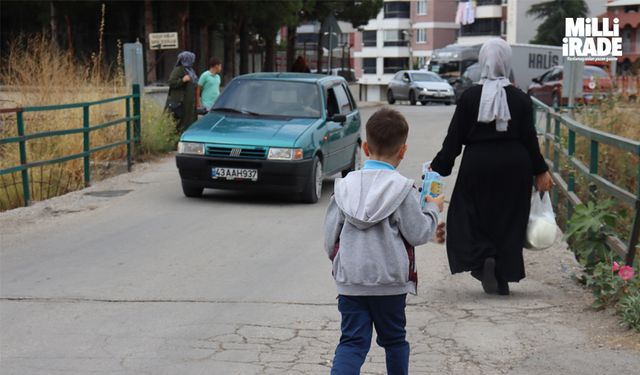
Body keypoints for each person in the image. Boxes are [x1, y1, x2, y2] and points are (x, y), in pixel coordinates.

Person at [324, 107, 445, 375]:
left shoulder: (343, 187)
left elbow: (329, 238)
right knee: (394, 342)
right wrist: (434, 208)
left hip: (351, 282)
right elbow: (418, 233)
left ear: (365, 147)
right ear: (403, 151)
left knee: (352, 343)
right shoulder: (403, 189)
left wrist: (345, 262)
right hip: (389, 283)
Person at [430, 38, 554, 296]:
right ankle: (502, 275)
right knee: (509, 220)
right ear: (507, 62)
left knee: (467, 215)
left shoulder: (470, 97)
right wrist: (540, 170)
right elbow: (530, 139)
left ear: (482, 61)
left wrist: (439, 167)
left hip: (478, 164)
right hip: (515, 166)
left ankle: (483, 257)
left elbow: (454, 138)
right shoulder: (520, 99)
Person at [166, 51, 198, 133]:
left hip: (189, 104)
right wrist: (182, 80)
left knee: (189, 123)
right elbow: (171, 82)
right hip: (181, 103)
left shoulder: (190, 70)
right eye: (191, 59)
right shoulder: (179, 69)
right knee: (180, 124)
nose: (193, 61)